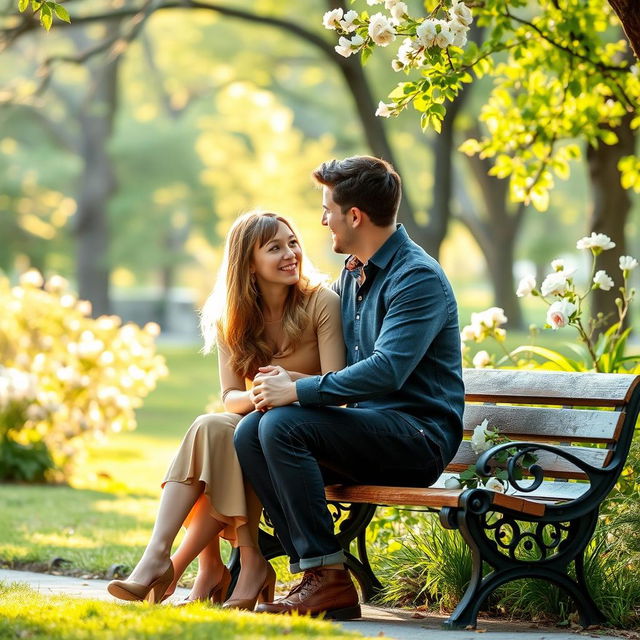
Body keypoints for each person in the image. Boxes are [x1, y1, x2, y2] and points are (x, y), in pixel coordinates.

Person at [233, 156, 465, 620]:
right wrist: (292, 382)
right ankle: (318, 572)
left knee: (282, 426)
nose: (323, 220)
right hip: (369, 426)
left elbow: (386, 371)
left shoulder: (415, 276)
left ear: (353, 216)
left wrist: (298, 393)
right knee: (249, 433)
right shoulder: (356, 273)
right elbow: (354, 368)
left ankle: (327, 579)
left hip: (417, 437)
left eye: (327, 209)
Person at [107, 211, 345, 608]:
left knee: (231, 435)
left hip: (308, 432)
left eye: (292, 242)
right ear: (248, 264)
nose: (291, 254)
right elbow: (231, 396)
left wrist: (287, 385)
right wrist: (262, 396)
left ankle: (183, 565)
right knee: (214, 428)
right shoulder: (232, 317)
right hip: (262, 426)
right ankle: (197, 558)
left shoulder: (321, 301)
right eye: (274, 248)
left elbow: (336, 385)